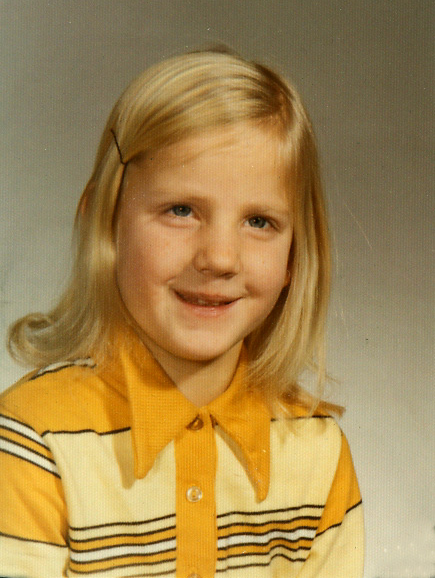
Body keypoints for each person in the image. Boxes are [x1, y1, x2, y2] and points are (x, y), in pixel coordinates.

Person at [0, 48, 364, 577]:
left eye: (259, 222)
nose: (219, 258)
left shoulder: (317, 449)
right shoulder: (32, 437)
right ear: (104, 221)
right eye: (181, 210)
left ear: (295, 256)